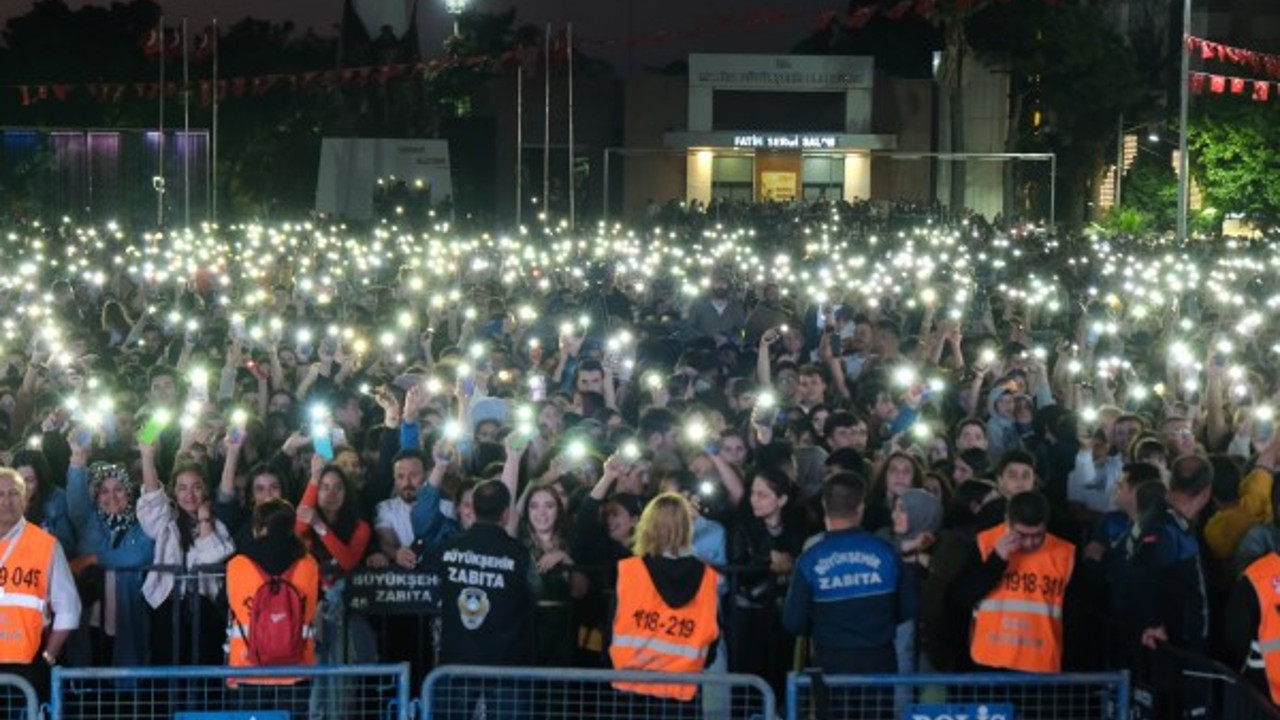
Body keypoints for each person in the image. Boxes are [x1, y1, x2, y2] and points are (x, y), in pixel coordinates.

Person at [784, 473, 913, 674]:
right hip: (880, 662)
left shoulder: (809, 559)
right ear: (861, 508)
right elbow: (909, 608)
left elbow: (794, 622)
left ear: (824, 505)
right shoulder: (886, 552)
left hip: (829, 663)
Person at [431, 479, 533, 720]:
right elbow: (536, 591)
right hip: (505, 664)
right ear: (507, 514)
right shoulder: (518, 553)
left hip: (456, 659)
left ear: (473, 510)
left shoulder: (447, 550)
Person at [609, 493, 719, 712]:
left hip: (631, 687)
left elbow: (609, 627)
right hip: (682, 691)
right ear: (687, 528)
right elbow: (713, 639)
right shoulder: (708, 577)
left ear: (647, 526)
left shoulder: (629, 571)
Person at [957, 491, 1075, 673]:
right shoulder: (985, 544)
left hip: (1041, 666)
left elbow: (1076, 616)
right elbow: (961, 598)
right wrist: (996, 560)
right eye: (1021, 535)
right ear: (1008, 522)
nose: (1028, 543)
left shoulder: (1064, 554)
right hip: (989, 663)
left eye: (1037, 535)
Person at [224, 498, 320, 694]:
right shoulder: (309, 565)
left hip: (247, 668)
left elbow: (223, 606)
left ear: (257, 528)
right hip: (297, 670)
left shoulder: (237, 565)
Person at [0, 468, 81, 699]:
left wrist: (47, 658)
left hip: (28, 665)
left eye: (14, 493)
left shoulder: (45, 545)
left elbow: (69, 608)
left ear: (25, 499)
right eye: (0, 494)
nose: (7, 501)